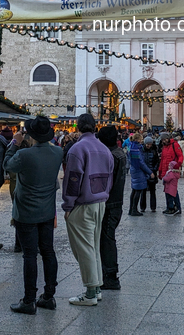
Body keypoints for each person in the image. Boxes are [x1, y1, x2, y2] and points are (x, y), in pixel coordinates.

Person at [3, 116, 63, 315]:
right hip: (46, 210)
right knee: (48, 251)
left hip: (26, 211)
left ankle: (29, 300)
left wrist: (15, 143)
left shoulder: (25, 154)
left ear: (30, 134)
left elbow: (7, 165)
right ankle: (49, 296)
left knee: (30, 255)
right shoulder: (58, 152)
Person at [62, 112, 114, 306]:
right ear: (95, 127)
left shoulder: (78, 148)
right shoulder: (104, 149)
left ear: (77, 127)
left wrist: (68, 204)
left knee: (84, 248)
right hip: (100, 201)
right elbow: (110, 177)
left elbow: (73, 179)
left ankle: (91, 292)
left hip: (83, 204)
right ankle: (97, 287)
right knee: (93, 246)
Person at [97, 125, 127, 290]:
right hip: (116, 202)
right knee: (107, 238)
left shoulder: (110, 156)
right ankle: (107, 272)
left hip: (109, 203)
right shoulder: (119, 153)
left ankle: (110, 275)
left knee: (107, 239)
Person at [128, 132, 152, 216]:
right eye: (141, 139)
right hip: (138, 171)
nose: (142, 141)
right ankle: (134, 209)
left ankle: (131, 209)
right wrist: (149, 172)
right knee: (138, 190)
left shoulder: (131, 146)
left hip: (134, 170)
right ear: (137, 140)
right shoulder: (136, 148)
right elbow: (140, 162)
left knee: (134, 190)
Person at [140, 136, 159, 212]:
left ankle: (153, 207)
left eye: (150, 144)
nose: (148, 145)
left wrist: (154, 169)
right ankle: (142, 207)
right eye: (147, 144)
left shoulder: (154, 151)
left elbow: (157, 161)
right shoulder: (141, 151)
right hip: (143, 173)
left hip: (152, 173)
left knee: (152, 191)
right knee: (143, 191)